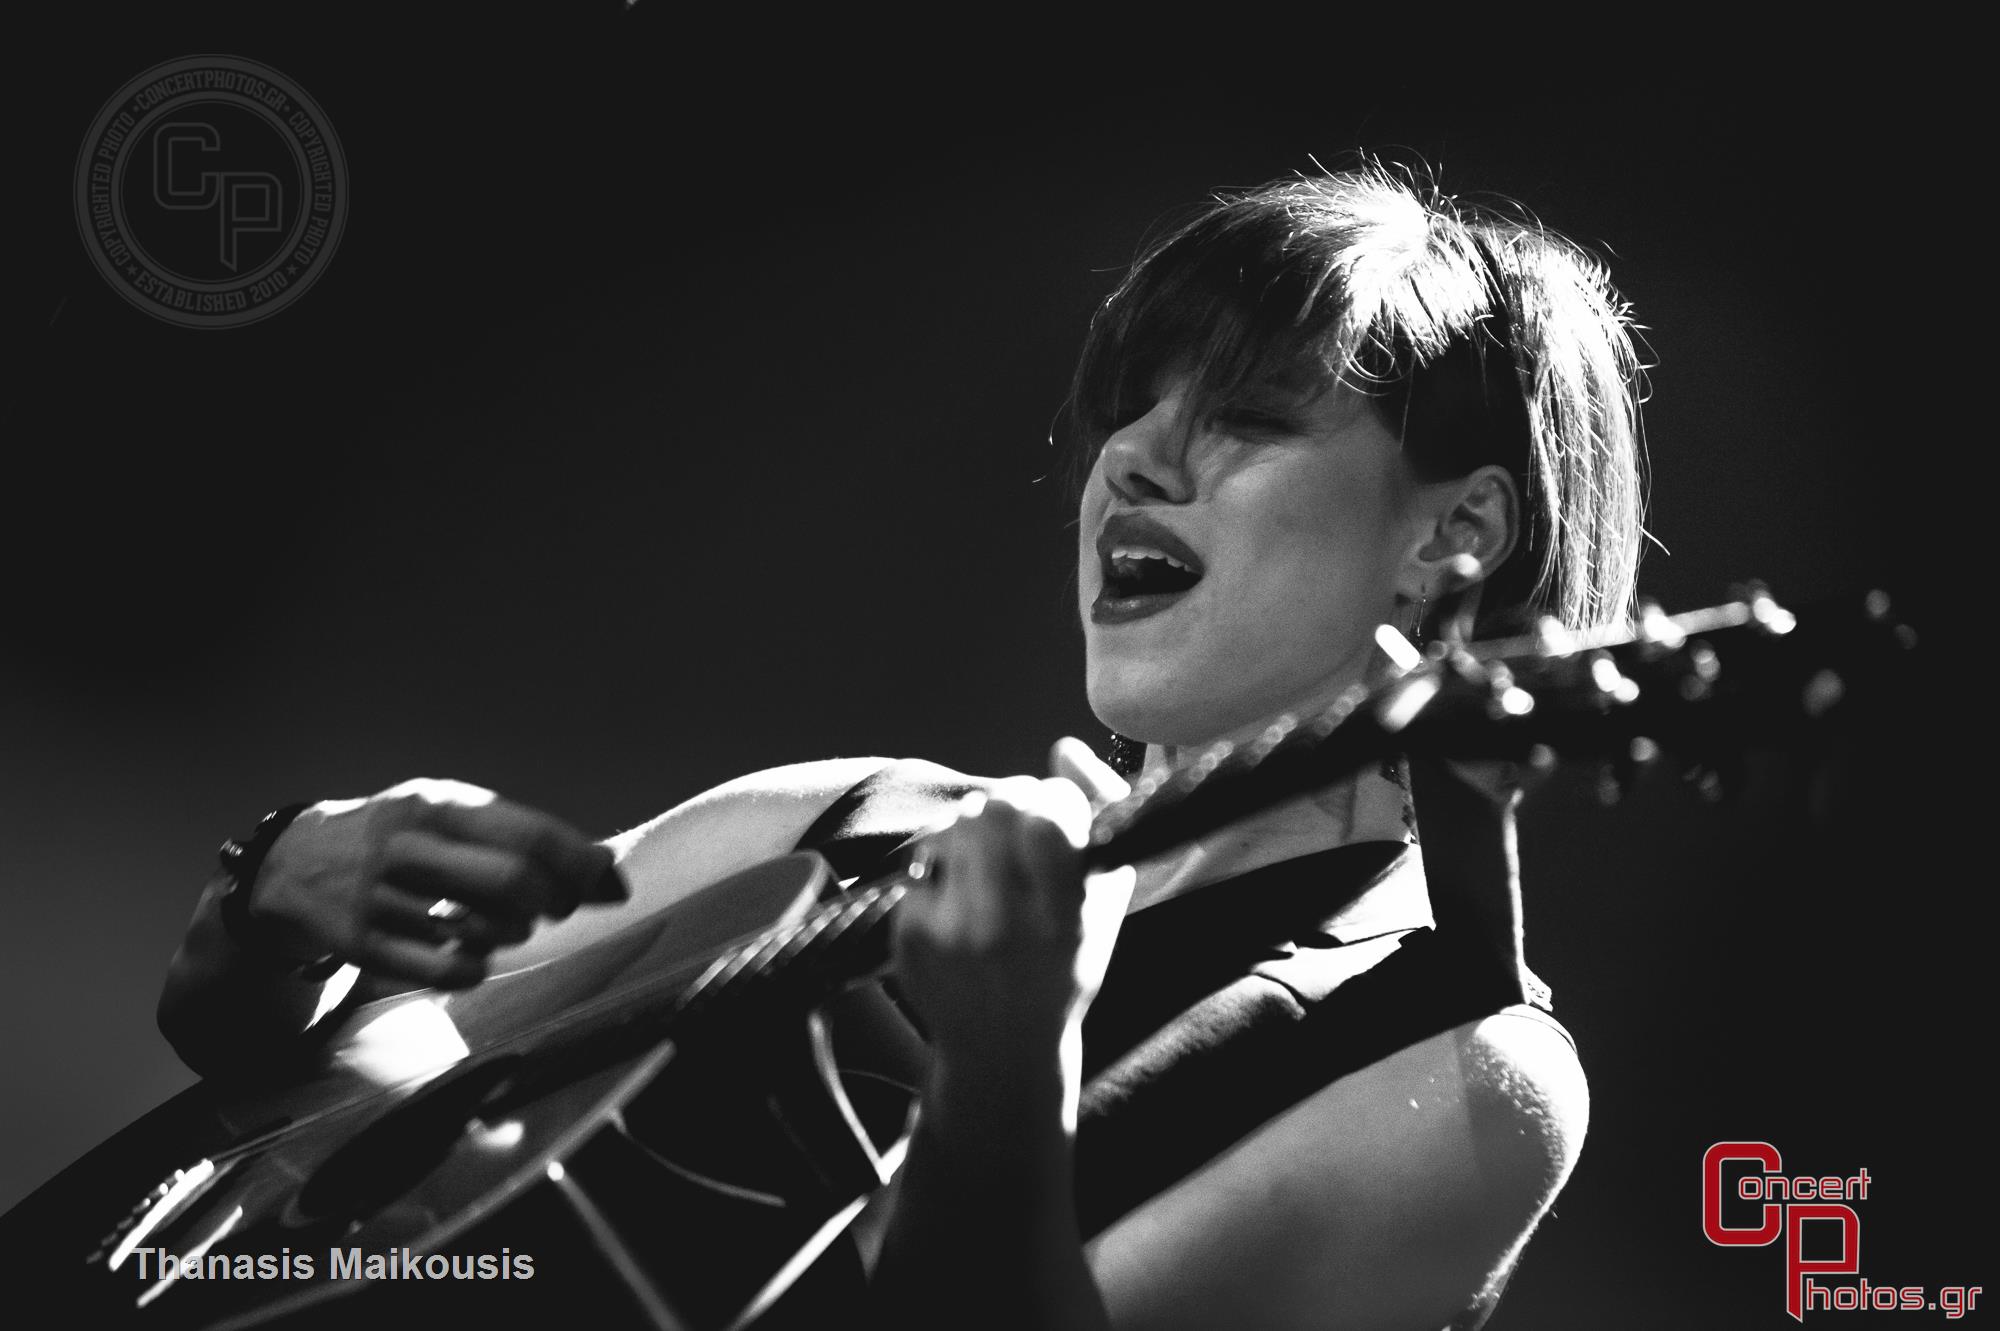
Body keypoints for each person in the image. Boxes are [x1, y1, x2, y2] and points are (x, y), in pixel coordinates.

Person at [157, 159, 1646, 1329]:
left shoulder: (1464, 1072)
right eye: (1129, 407)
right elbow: (308, 1098)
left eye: (1250, 418)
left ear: (1456, 533)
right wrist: (273, 889)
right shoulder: (847, 826)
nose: (1133, 458)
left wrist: (1007, 1064)